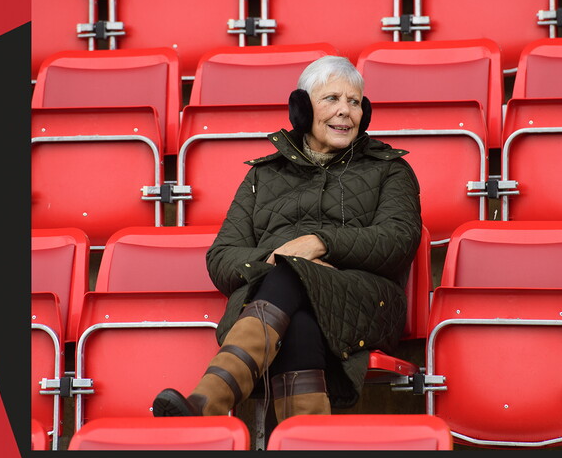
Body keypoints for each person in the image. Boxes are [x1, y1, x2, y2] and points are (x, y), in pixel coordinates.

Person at [152, 55, 422, 424]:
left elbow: (399, 239)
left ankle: (210, 398)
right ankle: (310, 442)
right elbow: (221, 257)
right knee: (298, 316)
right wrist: (284, 260)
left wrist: (320, 243)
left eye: (354, 102)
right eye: (331, 99)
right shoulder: (262, 175)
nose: (345, 111)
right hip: (281, 302)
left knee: (292, 275)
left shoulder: (390, 169)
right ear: (301, 109)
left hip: (366, 301)